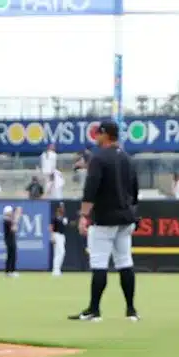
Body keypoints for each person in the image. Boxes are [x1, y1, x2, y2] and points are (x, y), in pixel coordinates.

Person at [71, 119, 140, 322]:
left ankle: (94, 310)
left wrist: (84, 215)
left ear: (105, 134)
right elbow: (135, 191)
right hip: (126, 217)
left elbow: (90, 189)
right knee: (125, 262)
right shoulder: (127, 158)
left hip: (104, 218)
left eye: (98, 133)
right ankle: (131, 310)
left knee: (99, 263)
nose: (96, 137)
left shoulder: (98, 158)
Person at [49, 201, 71, 277]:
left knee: (58, 253)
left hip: (62, 236)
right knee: (61, 252)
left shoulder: (64, 217)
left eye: (63, 207)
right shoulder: (54, 217)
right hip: (56, 235)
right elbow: (51, 227)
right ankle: (56, 270)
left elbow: (66, 225)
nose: (62, 209)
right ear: (58, 208)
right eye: (61, 207)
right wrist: (51, 236)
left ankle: (56, 270)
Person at [0, 204, 20, 277]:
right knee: (11, 255)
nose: (11, 212)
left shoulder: (9, 220)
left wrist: (16, 215)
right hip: (9, 240)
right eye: (10, 212)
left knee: (11, 255)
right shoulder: (7, 220)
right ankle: (11, 271)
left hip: (11, 239)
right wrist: (16, 218)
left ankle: (9, 271)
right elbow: (14, 229)